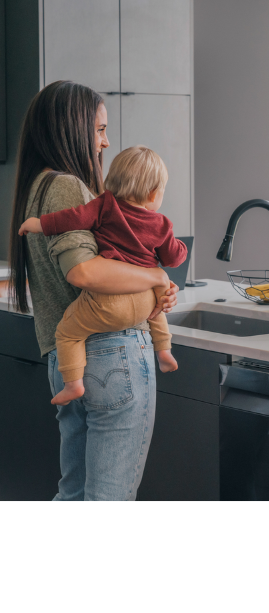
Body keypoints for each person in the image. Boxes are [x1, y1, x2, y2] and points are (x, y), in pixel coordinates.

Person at [8, 80, 179, 501]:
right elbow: (85, 272)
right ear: (72, 129)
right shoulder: (66, 186)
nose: (104, 143)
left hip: (70, 358)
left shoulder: (36, 189)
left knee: (76, 496)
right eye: (99, 130)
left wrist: (152, 284)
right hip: (113, 351)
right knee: (107, 502)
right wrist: (157, 278)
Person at [19, 145, 187, 406]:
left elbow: (72, 218)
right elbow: (173, 257)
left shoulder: (105, 205)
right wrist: (180, 250)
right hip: (146, 300)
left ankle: (73, 384)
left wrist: (40, 224)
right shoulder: (162, 224)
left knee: (66, 331)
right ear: (154, 193)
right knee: (159, 311)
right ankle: (164, 353)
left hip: (108, 302)